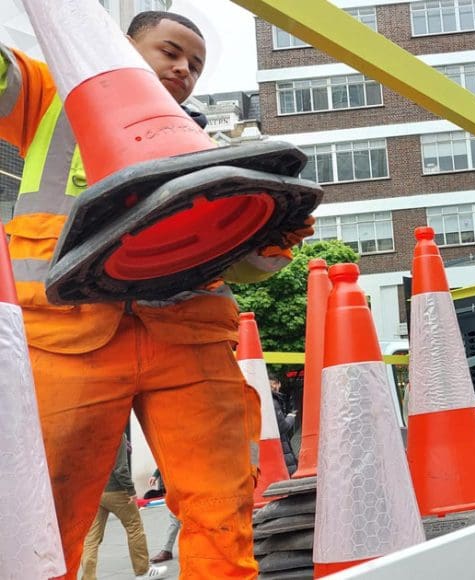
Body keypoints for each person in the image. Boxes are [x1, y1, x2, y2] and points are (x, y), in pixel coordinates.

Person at [0, 10, 313, 578]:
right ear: (119, 45)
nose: (184, 69)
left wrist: (274, 234)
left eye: (195, 64)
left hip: (187, 336)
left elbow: (245, 265)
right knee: (43, 520)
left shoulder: (207, 146)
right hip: (67, 335)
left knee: (222, 508)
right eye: (170, 52)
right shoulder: (54, 94)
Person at [79, 434, 167, 579]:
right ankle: (143, 572)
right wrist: (131, 490)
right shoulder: (117, 433)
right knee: (134, 527)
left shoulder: (91, 434)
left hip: (96, 490)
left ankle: (88, 577)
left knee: (92, 537)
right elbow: (120, 468)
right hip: (116, 490)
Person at [146, 470, 181, 564]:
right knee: (175, 519)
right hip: (175, 486)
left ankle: (167, 550)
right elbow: (164, 462)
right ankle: (167, 550)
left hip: (187, 485)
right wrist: (155, 475)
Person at [271, 374, 298, 474]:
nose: (274, 386)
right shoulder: (274, 402)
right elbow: (282, 427)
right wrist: (291, 417)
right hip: (281, 447)